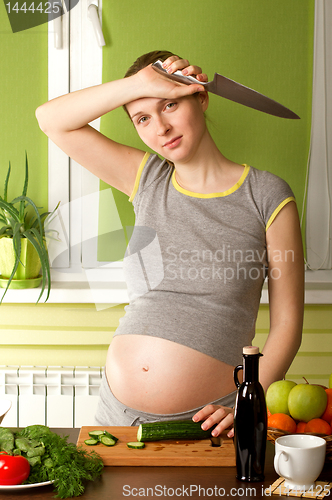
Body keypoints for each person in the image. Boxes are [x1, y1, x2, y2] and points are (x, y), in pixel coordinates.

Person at [36, 50, 304, 437]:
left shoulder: (266, 194)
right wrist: (140, 84)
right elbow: (51, 120)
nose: (160, 128)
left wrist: (254, 396)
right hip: (115, 415)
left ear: (202, 96)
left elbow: (287, 323)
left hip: (210, 422)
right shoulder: (146, 179)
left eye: (170, 105)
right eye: (143, 118)